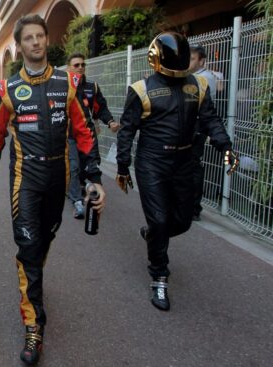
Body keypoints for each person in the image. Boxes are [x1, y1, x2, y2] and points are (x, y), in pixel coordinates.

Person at [0, 15, 105, 366]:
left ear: (47, 40)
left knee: (45, 239)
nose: (35, 42)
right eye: (29, 38)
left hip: (58, 175)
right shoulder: (7, 90)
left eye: (40, 36)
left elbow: (83, 130)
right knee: (29, 249)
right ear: (19, 46)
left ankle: (32, 273)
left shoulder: (68, 83)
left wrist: (92, 177)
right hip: (25, 178)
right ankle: (34, 325)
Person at [116, 32, 239, 312]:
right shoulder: (140, 90)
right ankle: (159, 276)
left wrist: (226, 147)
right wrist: (123, 166)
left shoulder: (198, 85)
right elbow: (127, 131)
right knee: (160, 220)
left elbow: (211, 120)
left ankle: (154, 235)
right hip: (152, 162)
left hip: (185, 161)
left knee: (182, 221)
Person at [67, 53, 118, 219]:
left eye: (82, 64)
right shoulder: (62, 88)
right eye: (76, 65)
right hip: (68, 136)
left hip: (88, 135)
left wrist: (110, 122)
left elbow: (100, 108)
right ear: (69, 68)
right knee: (73, 167)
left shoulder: (92, 87)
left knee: (90, 165)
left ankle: (80, 186)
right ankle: (77, 201)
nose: (80, 67)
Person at [189, 45, 219, 221]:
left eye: (192, 59)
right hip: (193, 126)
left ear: (201, 61)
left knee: (193, 166)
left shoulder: (203, 79)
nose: (188, 62)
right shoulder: (196, 77)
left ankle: (193, 208)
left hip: (197, 127)